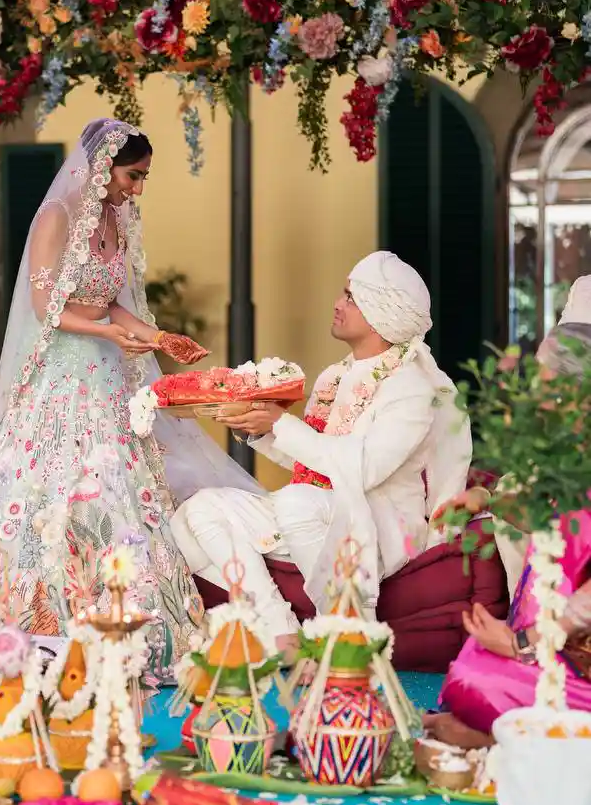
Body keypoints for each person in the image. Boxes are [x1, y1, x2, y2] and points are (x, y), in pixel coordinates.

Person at [0, 118, 259, 681]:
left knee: (120, 491)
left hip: (110, 375)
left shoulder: (116, 218)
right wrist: (109, 336)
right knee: (50, 492)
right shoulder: (56, 218)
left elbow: (109, 303)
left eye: (143, 178)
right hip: (63, 379)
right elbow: (47, 309)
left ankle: (126, 626)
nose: (136, 189)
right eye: (132, 176)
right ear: (101, 166)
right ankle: (31, 621)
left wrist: (156, 336)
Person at [171, 252, 472, 641]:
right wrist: (257, 428)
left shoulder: (410, 388)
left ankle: (346, 634)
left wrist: (281, 422)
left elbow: (363, 468)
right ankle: (280, 629)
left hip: (381, 521)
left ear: (380, 312)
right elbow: (314, 455)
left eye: (350, 296)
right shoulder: (337, 376)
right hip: (316, 506)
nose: (337, 303)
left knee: (298, 501)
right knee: (197, 511)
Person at [427, 320, 591, 747]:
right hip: (553, 647)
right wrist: (487, 501)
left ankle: (500, 738)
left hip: (578, 655)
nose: (531, 391)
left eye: (543, 378)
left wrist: (521, 643)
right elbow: (551, 522)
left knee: (477, 678)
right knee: (471, 662)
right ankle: (507, 732)